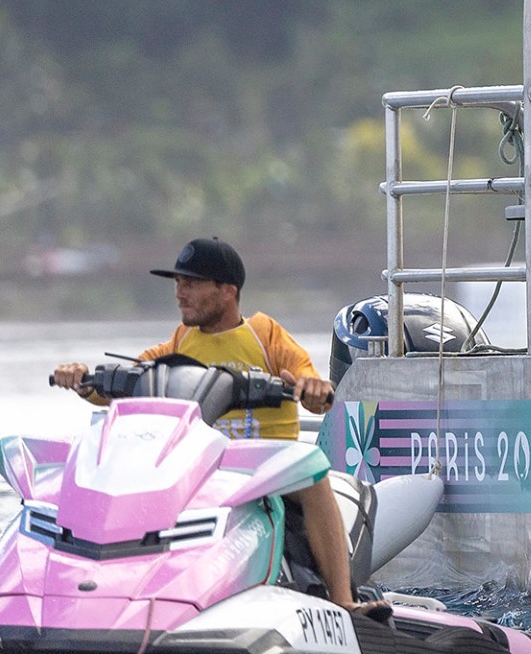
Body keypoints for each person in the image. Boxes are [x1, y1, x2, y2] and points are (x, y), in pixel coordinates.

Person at [51, 239, 361, 610]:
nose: (180, 293)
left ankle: (346, 602)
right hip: (202, 468)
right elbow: (120, 385)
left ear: (227, 291)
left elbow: (312, 385)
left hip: (265, 466)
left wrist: (314, 389)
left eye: (192, 284)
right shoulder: (177, 344)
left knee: (315, 476)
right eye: (178, 283)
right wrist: (82, 378)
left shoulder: (266, 335)